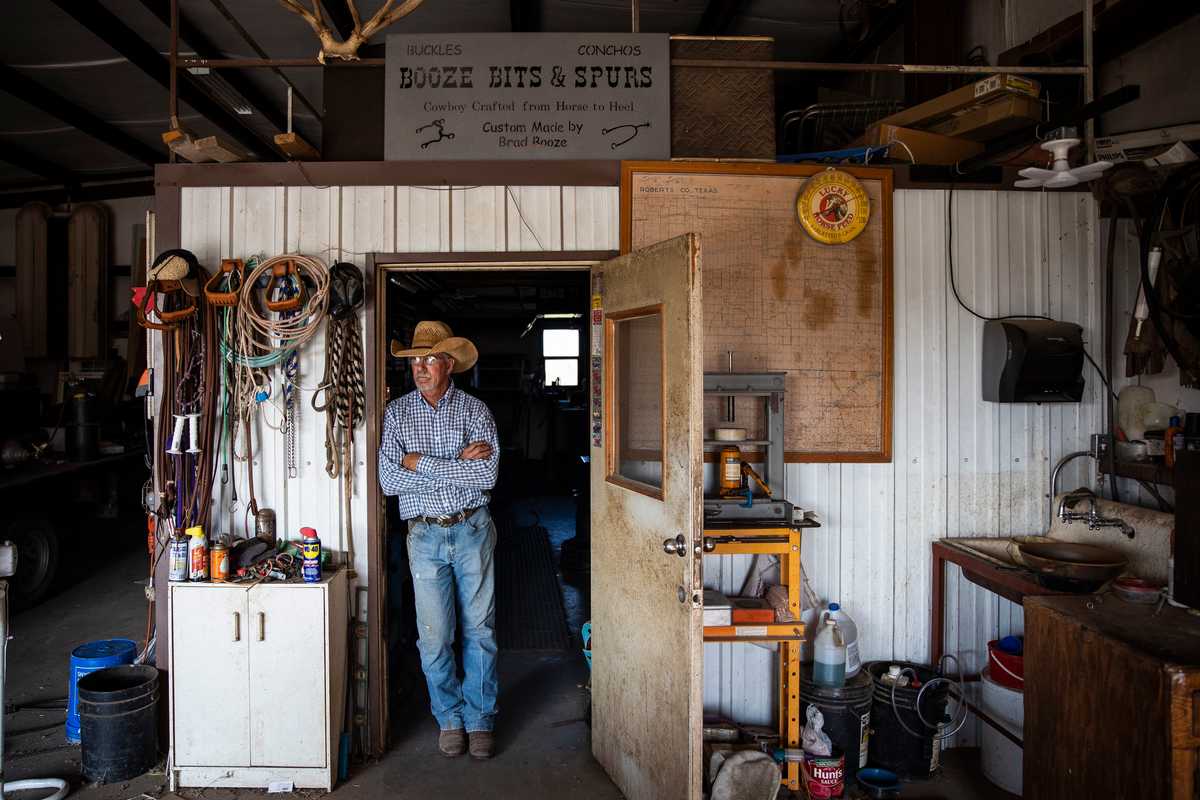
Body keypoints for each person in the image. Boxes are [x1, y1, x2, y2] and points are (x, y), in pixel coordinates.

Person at [378, 321, 500, 760]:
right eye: (414, 360)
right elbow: (389, 480)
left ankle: (481, 719)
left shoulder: (474, 411)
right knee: (434, 635)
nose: (420, 367)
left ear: (449, 364)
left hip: (471, 528)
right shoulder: (396, 414)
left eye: (430, 359)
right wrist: (451, 465)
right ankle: (449, 718)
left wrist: (420, 463)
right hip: (424, 534)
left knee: (480, 630)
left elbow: (486, 474)